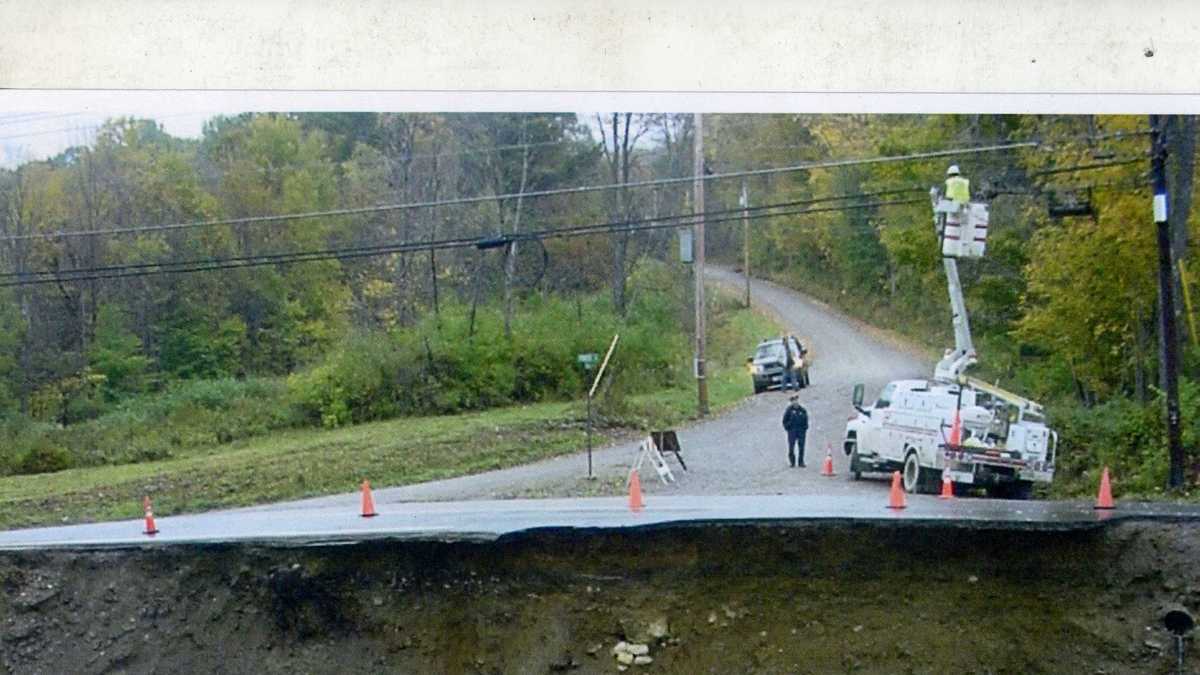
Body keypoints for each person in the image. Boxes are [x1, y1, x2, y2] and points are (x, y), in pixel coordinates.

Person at [781, 395, 809, 468]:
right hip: (792, 431)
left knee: (801, 447)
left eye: (796, 400)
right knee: (791, 447)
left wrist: (804, 429)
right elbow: (784, 421)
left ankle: (801, 462)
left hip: (801, 431)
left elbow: (806, 420)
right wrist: (788, 427)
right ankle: (792, 462)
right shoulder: (789, 410)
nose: (795, 402)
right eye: (793, 401)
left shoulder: (802, 410)